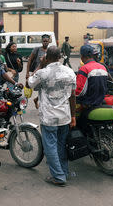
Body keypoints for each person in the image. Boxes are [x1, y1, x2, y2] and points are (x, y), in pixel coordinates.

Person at [27, 46, 76, 186]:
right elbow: (73, 95)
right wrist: (73, 116)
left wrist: (40, 65)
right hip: (64, 116)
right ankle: (64, 172)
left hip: (49, 117)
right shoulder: (70, 72)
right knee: (61, 145)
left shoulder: (43, 72)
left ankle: (59, 177)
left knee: (50, 147)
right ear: (60, 57)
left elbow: (29, 83)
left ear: (46, 57)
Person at [75, 45, 108, 131]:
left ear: (82, 56)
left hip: (88, 103)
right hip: (100, 101)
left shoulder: (84, 69)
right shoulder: (102, 67)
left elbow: (79, 91)